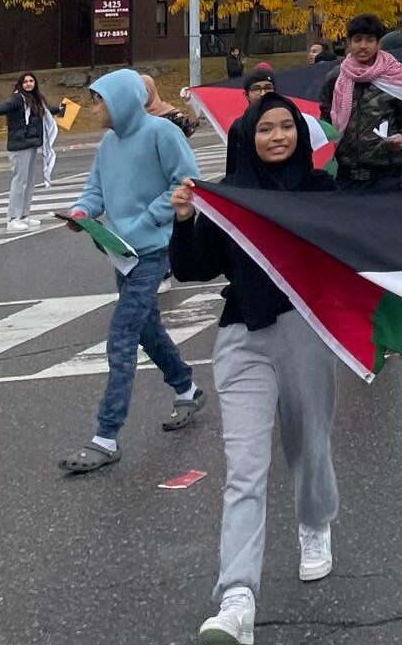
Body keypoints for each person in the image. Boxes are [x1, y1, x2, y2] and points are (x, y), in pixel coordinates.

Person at [169, 94, 340, 644]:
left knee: (309, 446)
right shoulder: (231, 198)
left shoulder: (321, 192)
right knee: (245, 468)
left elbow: (353, 254)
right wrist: (186, 220)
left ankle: (314, 525)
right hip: (241, 339)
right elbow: (195, 269)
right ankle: (237, 596)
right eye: (264, 128)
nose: (276, 136)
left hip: (305, 335)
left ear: (299, 133)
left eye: (285, 126)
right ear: (248, 137)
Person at [58, 68, 203, 474]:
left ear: (121, 98)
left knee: (121, 337)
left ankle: (106, 436)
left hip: (153, 253)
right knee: (146, 331)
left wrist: (150, 220)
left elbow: (189, 181)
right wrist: (82, 212)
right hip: (120, 252)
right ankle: (188, 388)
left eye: (99, 99)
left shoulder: (161, 133)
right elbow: (96, 189)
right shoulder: (108, 143)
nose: (94, 108)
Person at [324, 14, 402, 190]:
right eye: (357, 40)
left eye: (369, 40)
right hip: (345, 177)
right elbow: (325, 118)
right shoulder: (336, 77)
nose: (363, 46)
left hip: (386, 177)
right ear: (349, 43)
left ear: (378, 44)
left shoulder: (396, 75)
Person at [0, 73, 65, 232]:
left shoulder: (35, 99)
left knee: (29, 182)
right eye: (25, 81)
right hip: (19, 145)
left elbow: (46, 111)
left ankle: (24, 215)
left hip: (31, 144)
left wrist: (60, 109)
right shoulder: (17, 98)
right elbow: (5, 106)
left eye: (31, 81)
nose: (29, 84)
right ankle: (12, 218)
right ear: (20, 84)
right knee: (20, 182)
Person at [223, 68, 278, 176]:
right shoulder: (239, 126)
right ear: (246, 95)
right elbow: (233, 167)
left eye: (268, 88)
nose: (263, 93)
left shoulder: (290, 121)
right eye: (256, 89)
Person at [141, 73, 199, 137]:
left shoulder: (167, 115)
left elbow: (189, 128)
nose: (141, 94)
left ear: (151, 90)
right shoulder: (134, 116)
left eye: (145, 90)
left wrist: (188, 102)